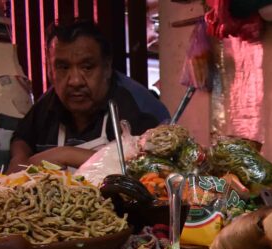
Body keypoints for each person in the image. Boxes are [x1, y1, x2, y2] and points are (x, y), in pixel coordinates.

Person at [9, 19, 170, 172]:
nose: (75, 81)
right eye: (63, 67)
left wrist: (65, 155)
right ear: (50, 71)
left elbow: (147, 166)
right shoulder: (49, 102)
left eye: (87, 67)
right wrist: (19, 158)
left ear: (107, 68)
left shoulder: (136, 104)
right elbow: (22, 138)